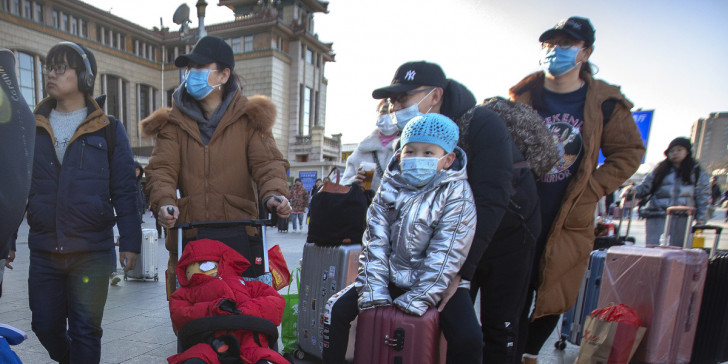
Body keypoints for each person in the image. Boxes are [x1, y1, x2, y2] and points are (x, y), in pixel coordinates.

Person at [363, 60, 542, 362]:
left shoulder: (482, 124)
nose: (396, 106)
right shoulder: (412, 141)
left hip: (506, 235)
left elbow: (490, 200)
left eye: (403, 98)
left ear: (434, 96)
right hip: (454, 241)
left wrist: (459, 270)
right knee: (445, 322)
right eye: (393, 100)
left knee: (498, 327)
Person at [509, 17, 645, 363]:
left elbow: (628, 153)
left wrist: (591, 189)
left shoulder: (605, 102)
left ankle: (527, 354)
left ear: (585, 51)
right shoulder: (523, 94)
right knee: (510, 291)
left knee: (556, 290)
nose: (555, 50)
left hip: (569, 213)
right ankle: (507, 353)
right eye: (550, 43)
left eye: (566, 44)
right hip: (520, 211)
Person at [323, 113, 482, 364]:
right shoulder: (389, 186)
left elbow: (447, 251)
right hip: (390, 275)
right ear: (399, 155)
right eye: (410, 151)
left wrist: (420, 297)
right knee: (336, 310)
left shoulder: (457, 194)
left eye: (428, 153)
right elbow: (375, 240)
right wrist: (374, 289)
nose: (418, 158)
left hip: (438, 281)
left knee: (468, 338)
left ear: (448, 159)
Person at [140, 36, 291, 298]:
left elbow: (268, 164)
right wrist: (164, 202)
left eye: (199, 68)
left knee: (242, 309)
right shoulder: (173, 124)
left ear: (223, 75)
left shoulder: (249, 119)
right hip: (191, 235)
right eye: (190, 70)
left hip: (240, 237)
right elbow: (161, 169)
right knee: (192, 314)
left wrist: (273, 195)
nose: (191, 75)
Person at [27, 41, 141, 363]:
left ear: (85, 76)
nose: (52, 73)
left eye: (61, 67)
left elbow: (124, 189)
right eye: (49, 67)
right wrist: (6, 239)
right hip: (45, 249)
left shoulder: (109, 129)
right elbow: (17, 187)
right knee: (44, 325)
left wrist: (131, 242)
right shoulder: (32, 127)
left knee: (86, 329)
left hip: (91, 251)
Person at [168, 239, 287, 364]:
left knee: (260, 357)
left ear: (223, 264)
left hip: (248, 339)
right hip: (207, 341)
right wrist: (212, 309)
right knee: (197, 357)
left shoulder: (248, 285)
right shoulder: (186, 292)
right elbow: (179, 314)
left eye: (208, 265)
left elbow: (275, 302)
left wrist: (244, 309)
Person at [629, 137, 710, 246]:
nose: (675, 153)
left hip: (683, 218)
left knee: (678, 252)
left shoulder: (697, 172)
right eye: (671, 151)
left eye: (679, 150)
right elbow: (645, 187)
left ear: (687, 152)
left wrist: (700, 219)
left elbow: (703, 196)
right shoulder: (660, 170)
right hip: (657, 216)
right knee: (654, 249)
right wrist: (633, 190)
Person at [341, 99, 399, 193]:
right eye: (383, 112)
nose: (387, 116)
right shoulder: (362, 150)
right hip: (365, 206)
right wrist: (354, 180)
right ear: (378, 115)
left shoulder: (407, 146)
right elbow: (343, 183)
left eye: (391, 112)